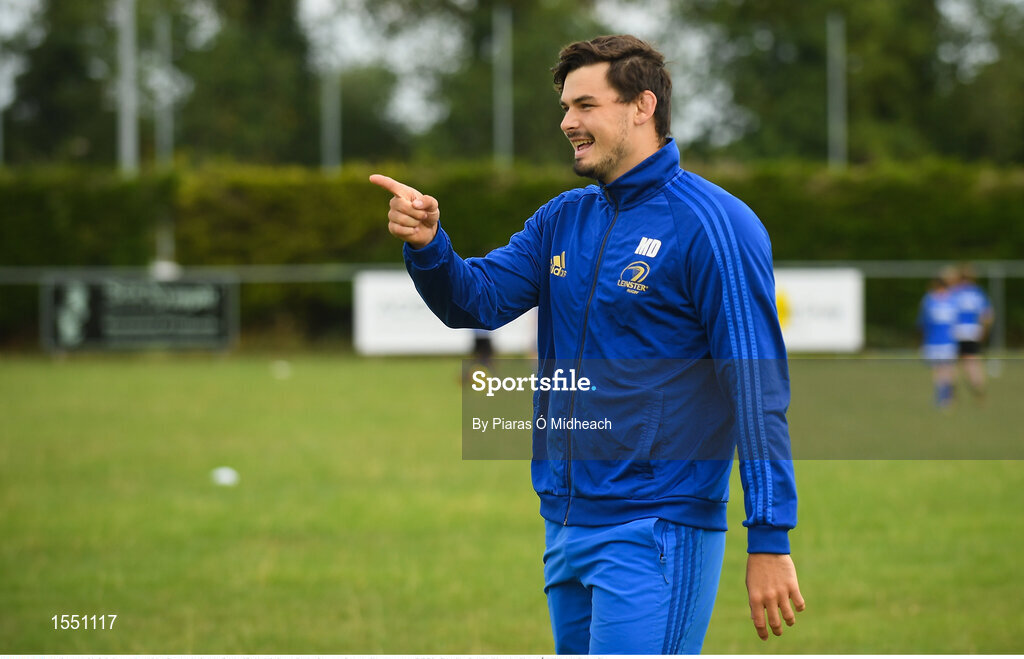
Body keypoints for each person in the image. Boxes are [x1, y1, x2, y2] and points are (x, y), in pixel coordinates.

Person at [370, 35, 804, 654]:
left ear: (642, 106)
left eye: (585, 105)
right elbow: (479, 300)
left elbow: (757, 390)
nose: (568, 122)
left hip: (658, 526)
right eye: (565, 107)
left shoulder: (715, 224)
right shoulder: (563, 218)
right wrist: (430, 248)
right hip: (566, 525)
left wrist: (768, 537)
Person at [951, 263, 994, 401]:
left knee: (952, 365)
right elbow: (988, 315)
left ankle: (949, 397)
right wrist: (984, 332)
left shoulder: (954, 292)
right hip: (973, 332)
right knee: (973, 363)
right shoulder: (978, 293)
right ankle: (979, 393)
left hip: (956, 332)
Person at [917, 272, 959, 409]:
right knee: (947, 370)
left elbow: (923, 323)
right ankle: (946, 398)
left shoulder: (929, 300)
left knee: (938, 370)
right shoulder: (953, 300)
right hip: (949, 341)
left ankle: (942, 397)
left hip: (933, 341)